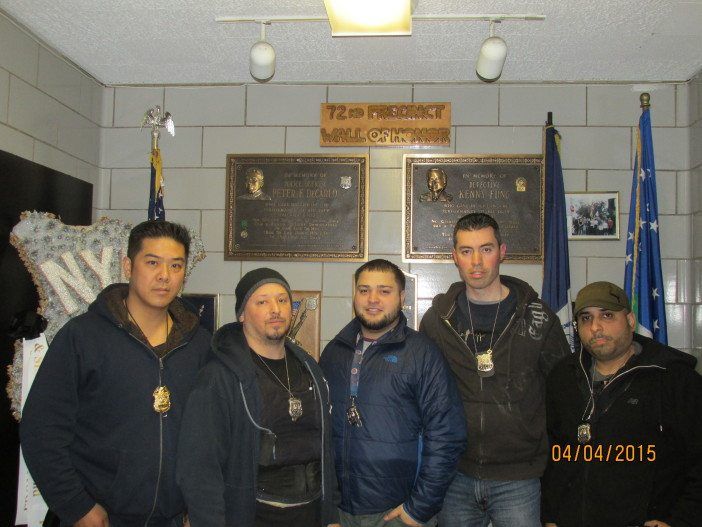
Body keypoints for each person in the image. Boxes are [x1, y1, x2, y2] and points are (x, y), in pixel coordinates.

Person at [20, 220, 213, 527]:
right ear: (128, 265)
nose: (164, 276)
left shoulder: (199, 345)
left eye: (176, 266)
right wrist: (77, 507)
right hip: (100, 517)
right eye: (152, 263)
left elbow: (207, 435)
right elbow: (41, 430)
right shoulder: (83, 338)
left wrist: (198, 503)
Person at [419, 212, 570, 527]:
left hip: (519, 477)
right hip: (455, 474)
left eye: (486, 249)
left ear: (502, 252)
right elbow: (424, 394)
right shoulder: (437, 321)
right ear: (454, 258)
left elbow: (563, 393)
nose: (476, 261)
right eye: (466, 251)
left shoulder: (538, 318)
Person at [176, 268, 339, 527]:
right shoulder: (219, 377)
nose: (275, 309)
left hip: (311, 513)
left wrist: (330, 515)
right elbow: (199, 467)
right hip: (252, 516)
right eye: (262, 301)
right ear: (242, 314)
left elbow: (324, 449)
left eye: (282, 300)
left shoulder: (310, 370)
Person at [542, 281, 702, 527]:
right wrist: (551, 514)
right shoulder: (562, 377)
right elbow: (552, 454)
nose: (596, 327)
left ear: (630, 320)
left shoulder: (674, 379)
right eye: (586, 318)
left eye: (607, 315)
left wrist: (680, 520)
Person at [320, 259, 466, 527]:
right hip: (339, 513)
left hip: (397, 514)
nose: (372, 299)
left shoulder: (422, 354)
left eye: (384, 291)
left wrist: (419, 508)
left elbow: (447, 435)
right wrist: (326, 507)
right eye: (363, 290)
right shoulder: (333, 353)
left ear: (401, 297)